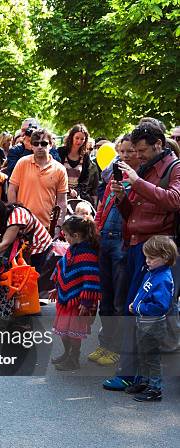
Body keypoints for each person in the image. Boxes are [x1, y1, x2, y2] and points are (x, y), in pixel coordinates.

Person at [103, 121, 180, 391]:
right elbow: (133, 215)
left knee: (147, 313)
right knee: (132, 309)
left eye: (143, 150)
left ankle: (140, 376)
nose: (138, 155)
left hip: (158, 248)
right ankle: (135, 374)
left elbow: (174, 199)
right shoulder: (147, 168)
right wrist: (122, 198)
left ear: (159, 144)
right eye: (135, 150)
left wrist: (136, 182)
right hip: (138, 246)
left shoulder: (174, 167)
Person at [91, 135, 138, 367]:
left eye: (130, 151)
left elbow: (133, 214)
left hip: (122, 242)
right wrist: (97, 229)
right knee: (105, 299)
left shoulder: (138, 181)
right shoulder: (113, 179)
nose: (125, 156)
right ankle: (105, 343)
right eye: (122, 151)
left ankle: (116, 347)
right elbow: (102, 208)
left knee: (120, 299)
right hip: (106, 242)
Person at [126, 236, 177, 402]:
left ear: (165, 257)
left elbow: (160, 306)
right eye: (146, 256)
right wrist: (136, 303)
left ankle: (155, 389)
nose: (147, 260)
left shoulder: (163, 278)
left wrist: (138, 308)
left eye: (151, 258)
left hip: (153, 325)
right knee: (143, 354)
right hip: (143, 322)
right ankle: (144, 381)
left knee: (152, 357)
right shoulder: (153, 273)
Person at [48, 216, 100, 371]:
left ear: (76, 235)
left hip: (77, 303)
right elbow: (64, 269)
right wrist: (57, 288)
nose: (66, 238)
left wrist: (86, 302)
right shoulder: (72, 250)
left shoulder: (88, 254)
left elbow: (91, 280)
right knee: (63, 331)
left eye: (67, 235)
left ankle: (74, 358)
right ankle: (67, 353)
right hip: (66, 299)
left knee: (73, 332)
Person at [0, 198, 53, 275]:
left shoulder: (16, 215)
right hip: (24, 247)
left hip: (39, 247)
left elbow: (5, 243)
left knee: (32, 277)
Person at [8, 127, 68, 234]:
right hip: (23, 225)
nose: (40, 147)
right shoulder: (22, 163)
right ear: (31, 146)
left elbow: (62, 201)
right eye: (36, 143)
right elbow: (12, 189)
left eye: (44, 143)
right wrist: (16, 215)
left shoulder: (60, 169)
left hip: (46, 227)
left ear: (50, 145)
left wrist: (58, 226)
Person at [57, 123, 94, 200]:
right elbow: (55, 174)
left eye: (82, 139)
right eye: (77, 138)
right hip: (59, 192)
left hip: (75, 196)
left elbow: (85, 179)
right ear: (71, 137)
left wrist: (77, 191)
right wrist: (67, 189)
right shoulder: (61, 152)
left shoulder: (85, 156)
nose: (79, 141)